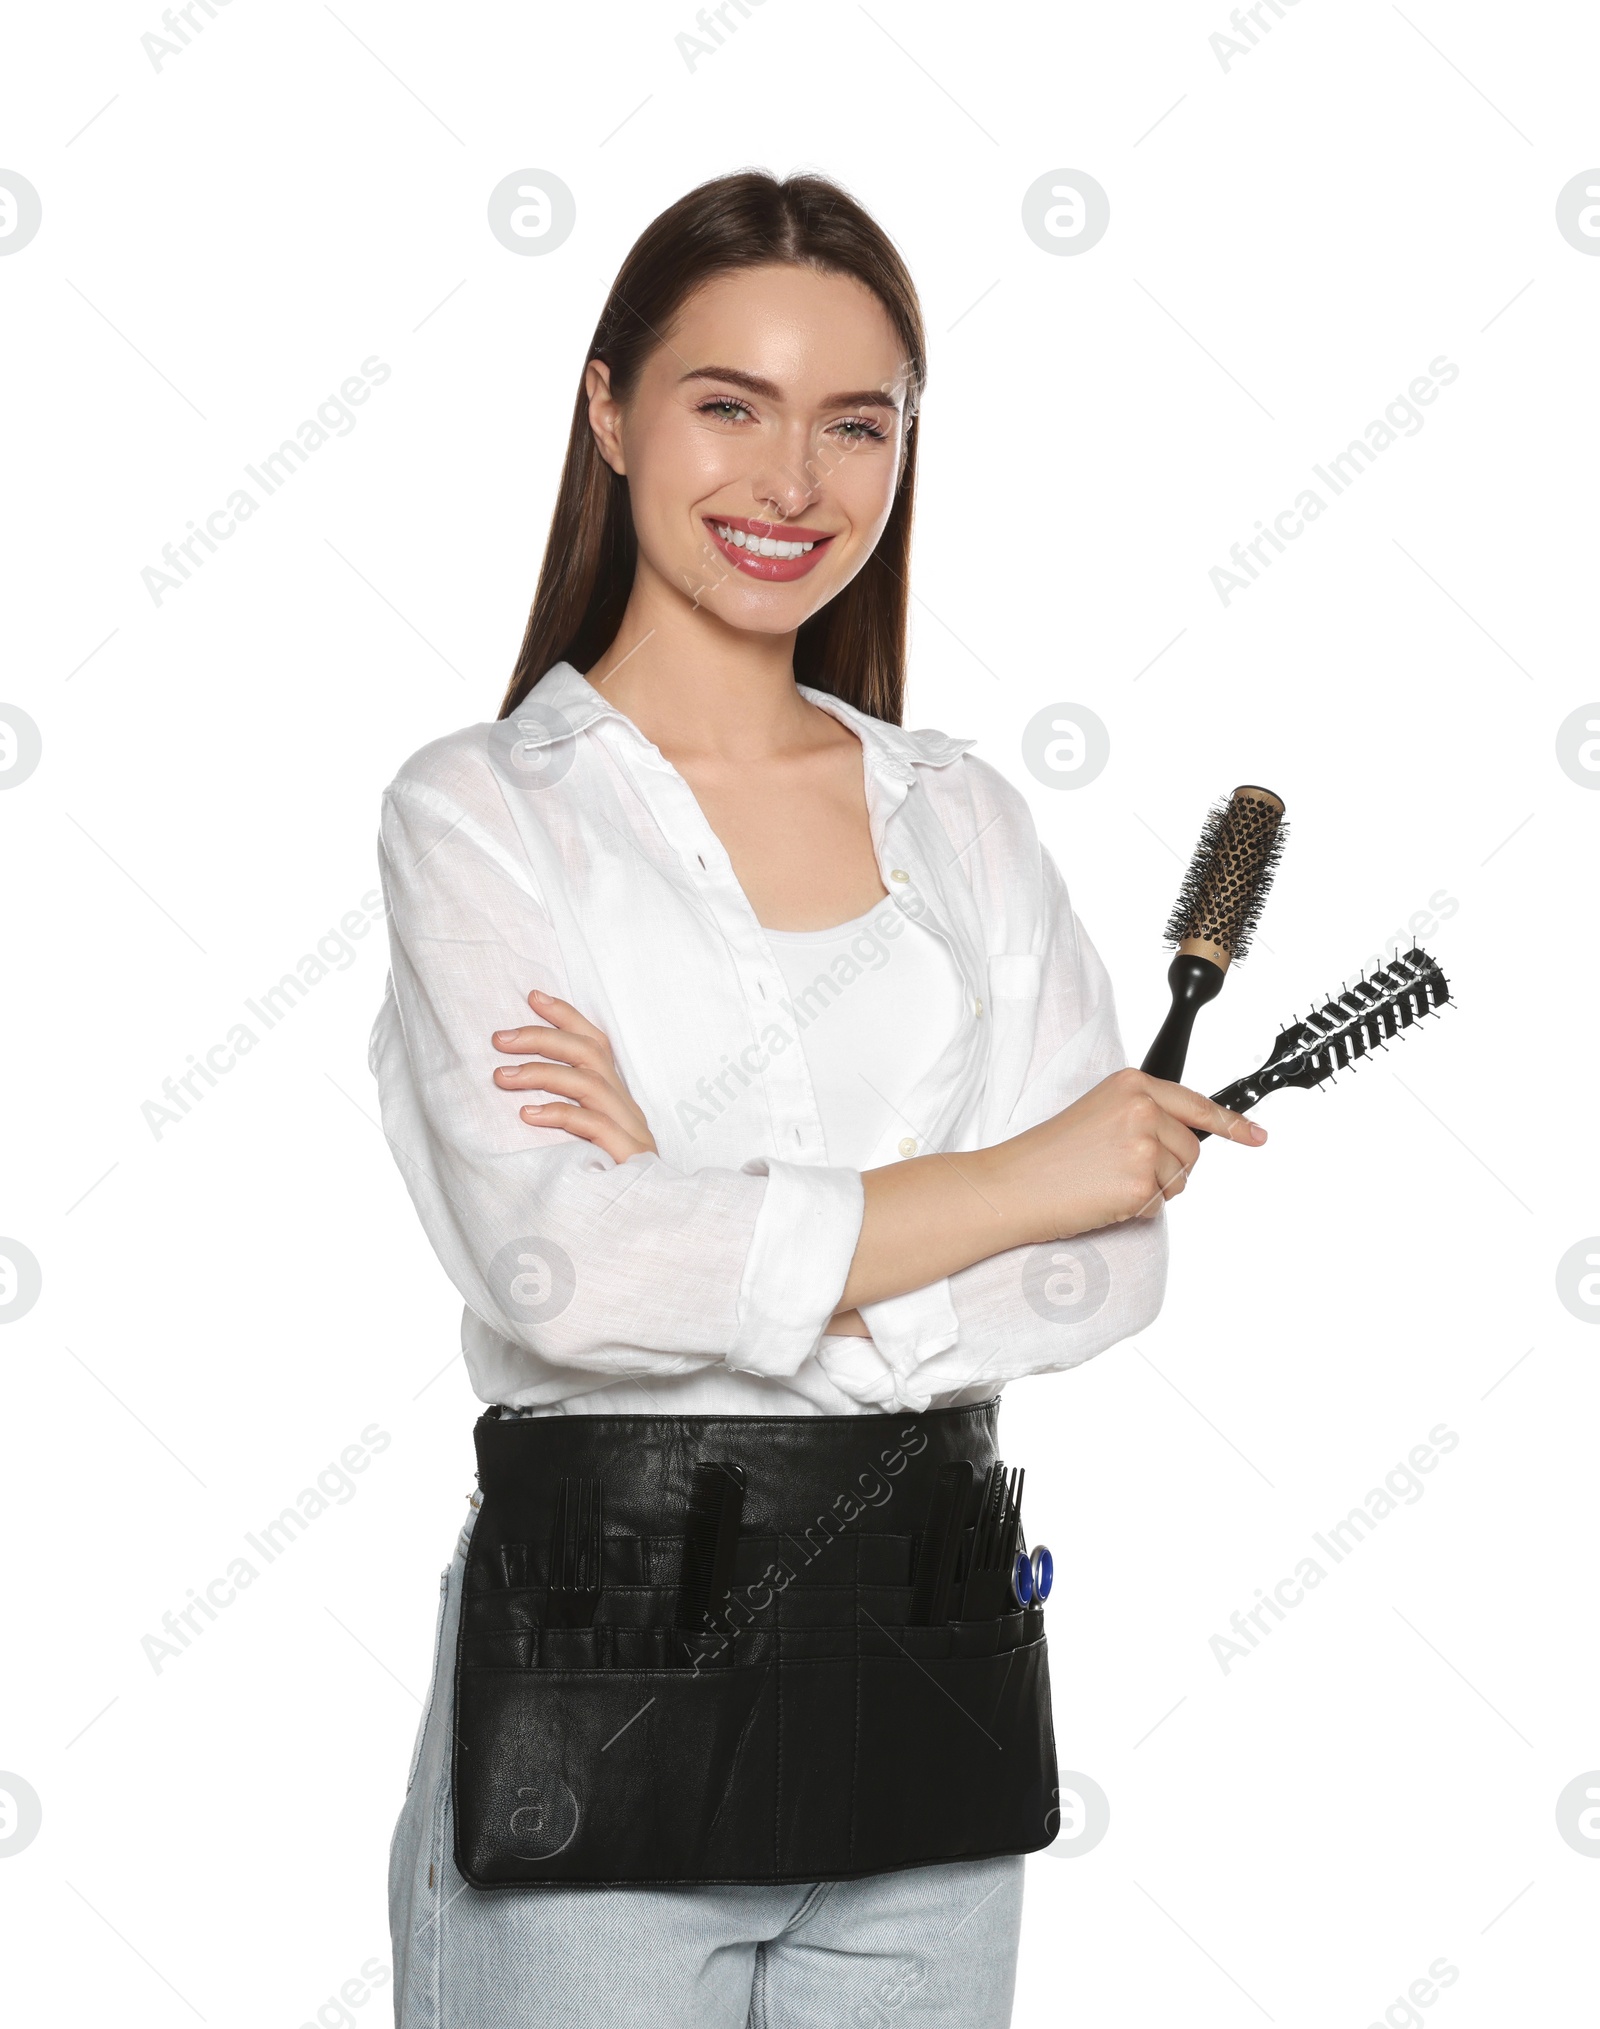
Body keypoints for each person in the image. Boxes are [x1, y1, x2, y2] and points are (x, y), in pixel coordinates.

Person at [371, 167, 1266, 2029]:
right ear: (610, 411)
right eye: (730, 404)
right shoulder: (485, 813)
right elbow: (564, 1279)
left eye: (855, 423)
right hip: (600, 1698)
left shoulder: (962, 822)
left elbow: (1102, 1274)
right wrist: (1007, 1177)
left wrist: (708, 1224)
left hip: (922, 1697)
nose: (794, 481)